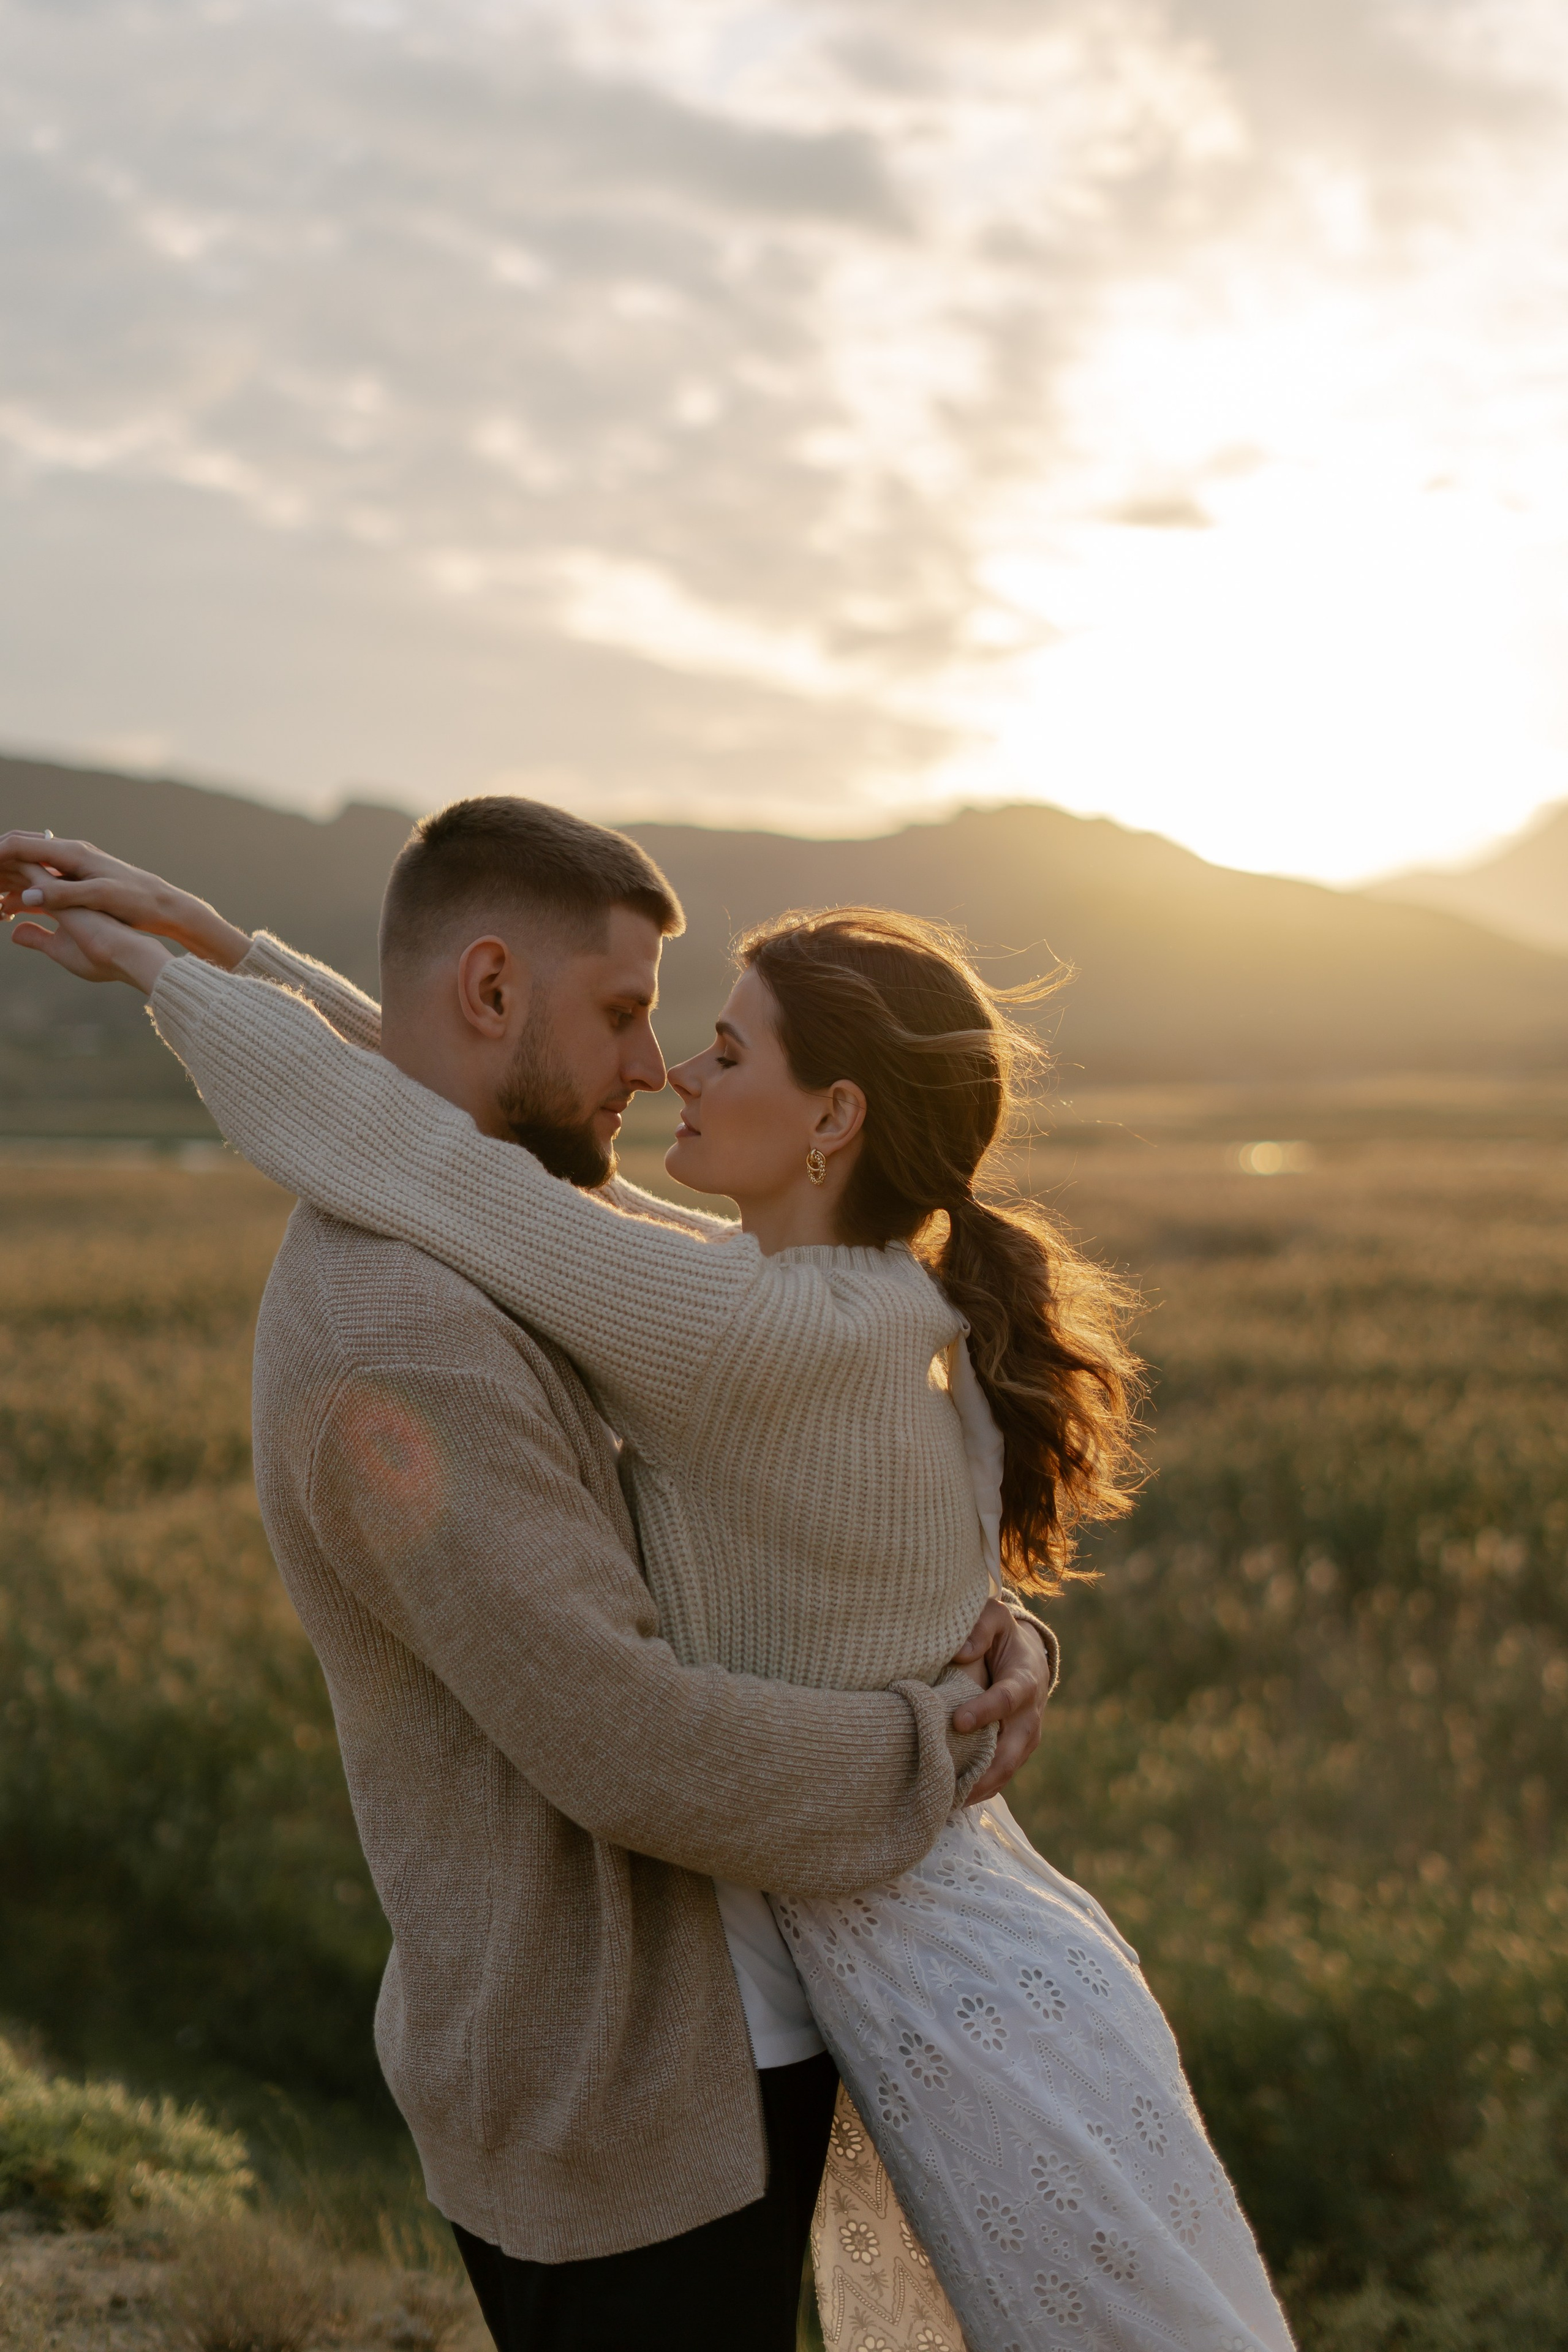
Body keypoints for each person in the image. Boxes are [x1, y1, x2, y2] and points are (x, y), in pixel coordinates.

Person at [6, 803, 1297, 2352]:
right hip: (606, 2079)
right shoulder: (417, 1329)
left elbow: (444, 1149)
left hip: (724, 2042)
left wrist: (186, 963)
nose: (659, 1065)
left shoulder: (713, 1311)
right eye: (629, 1015)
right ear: (489, 992)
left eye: (708, 1044)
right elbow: (618, 1716)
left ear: (830, 1121)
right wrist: (936, 1720)